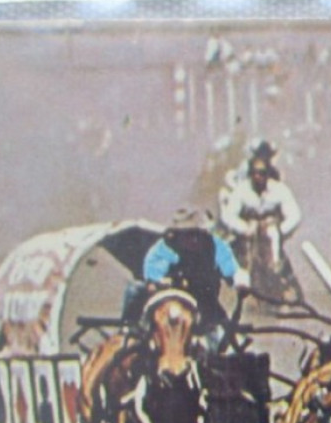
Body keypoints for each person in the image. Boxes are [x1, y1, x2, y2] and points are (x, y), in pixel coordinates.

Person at [125, 209, 251, 351]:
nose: (194, 239)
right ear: (178, 234)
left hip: (207, 310)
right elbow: (153, 277)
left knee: (228, 351)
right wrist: (158, 283)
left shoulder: (216, 246)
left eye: (198, 234)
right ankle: (129, 333)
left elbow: (232, 270)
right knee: (135, 290)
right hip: (167, 307)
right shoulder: (164, 249)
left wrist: (240, 281)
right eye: (188, 234)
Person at [218, 144, 303, 299]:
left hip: (271, 233)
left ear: (268, 174)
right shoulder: (241, 190)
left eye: (262, 173)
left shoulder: (279, 189)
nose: (258, 177)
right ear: (250, 174)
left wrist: (280, 230)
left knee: (280, 259)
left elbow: (295, 214)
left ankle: (293, 289)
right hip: (247, 234)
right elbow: (228, 215)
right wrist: (244, 228)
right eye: (255, 173)